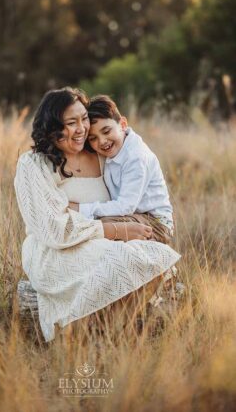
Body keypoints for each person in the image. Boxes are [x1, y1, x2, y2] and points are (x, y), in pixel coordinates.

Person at [13, 87, 181, 342]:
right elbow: (54, 229)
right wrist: (115, 230)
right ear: (53, 126)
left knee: (157, 259)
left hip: (101, 239)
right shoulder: (34, 164)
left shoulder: (100, 153)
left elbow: (130, 168)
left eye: (84, 119)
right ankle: (74, 338)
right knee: (129, 259)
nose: (82, 128)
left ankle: (105, 338)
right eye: (72, 122)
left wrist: (116, 230)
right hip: (56, 248)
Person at [71, 95, 174, 246]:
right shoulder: (111, 151)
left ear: (123, 124)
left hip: (156, 222)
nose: (102, 141)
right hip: (132, 216)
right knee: (97, 225)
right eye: (93, 138)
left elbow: (126, 206)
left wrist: (81, 209)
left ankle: (162, 265)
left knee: (101, 226)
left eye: (106, 131)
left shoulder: (136, 157)